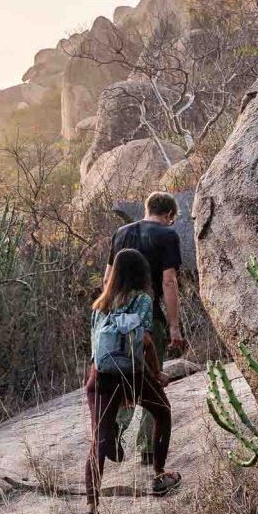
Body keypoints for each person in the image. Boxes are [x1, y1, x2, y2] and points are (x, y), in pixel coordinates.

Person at [82, 247, 178, 514]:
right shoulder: (143, 300)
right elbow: (146, 341)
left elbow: (94, 349)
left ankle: (91, 510)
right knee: (163, 412)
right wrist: (156, 373)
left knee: (98, 438)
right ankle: (159, 475)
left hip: (99, 378)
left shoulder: (100, 304)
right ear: (141, 273)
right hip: (131, 374)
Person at [106, 191, 185, 463]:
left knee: (121, 377)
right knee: (151, 379)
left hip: (115, 319)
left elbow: (107, 279)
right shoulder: (167, 235)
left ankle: (113, 431)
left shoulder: (120, 233)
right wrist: (174, 327)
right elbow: (169, 281)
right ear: (169, 215)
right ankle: (148, 449)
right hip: (148, 317)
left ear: (146, 208)